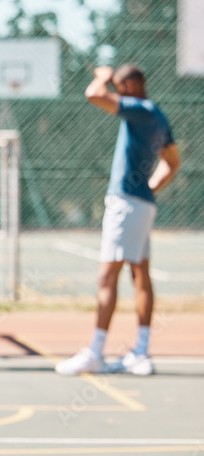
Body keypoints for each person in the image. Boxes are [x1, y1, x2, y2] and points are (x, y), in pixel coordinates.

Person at [55, 64, 179, 376]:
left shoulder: (138, 108)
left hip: (126, 203)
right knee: (140, 275)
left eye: (120, 87)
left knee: (108, 276)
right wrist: (150, 188)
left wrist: (103, 76)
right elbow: (173, 162)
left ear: (131, 86)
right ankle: (140, 351)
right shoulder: (159, 115)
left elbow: (94, 95)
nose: (116, 93)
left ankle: (96, 352)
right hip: (142, 203)